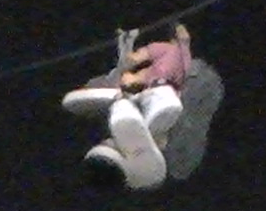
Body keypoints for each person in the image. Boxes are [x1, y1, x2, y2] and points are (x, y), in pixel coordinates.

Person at [63, 24, 221, 190]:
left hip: (167, 79)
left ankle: (142, 130)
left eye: (107, 142)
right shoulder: (178, 158)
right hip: (179, 87)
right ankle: (148, 137)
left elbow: (108, 87)